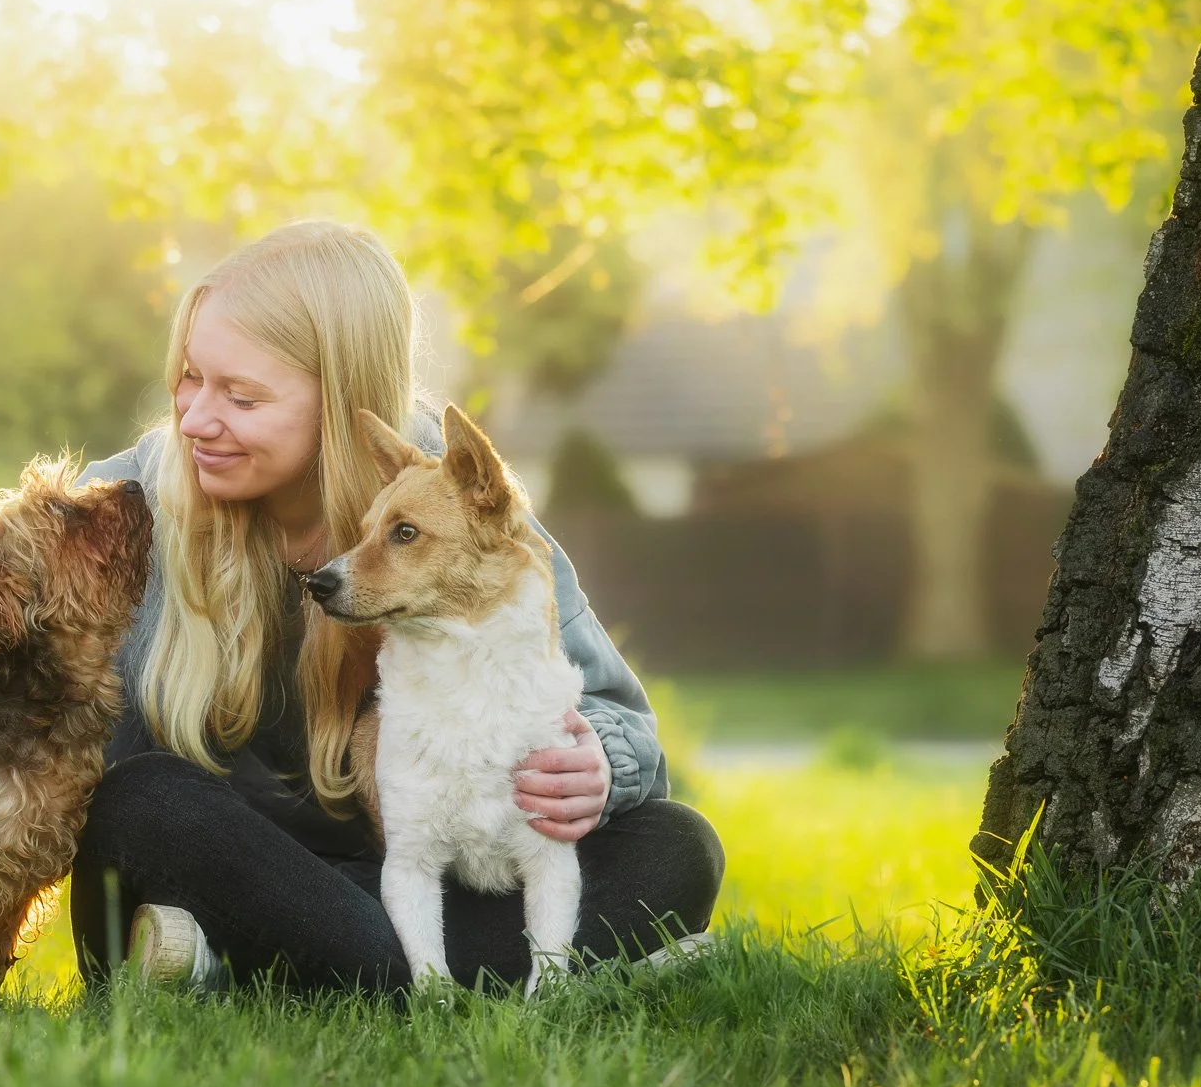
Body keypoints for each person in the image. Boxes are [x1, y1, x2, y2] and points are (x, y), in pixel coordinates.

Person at [71, 220, 724, 993]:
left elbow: (624, 728)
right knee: (145, 801)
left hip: (408, 877)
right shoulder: (120, 508)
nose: (195, 418)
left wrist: (595, 766)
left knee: (679, 845)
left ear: (344, 398)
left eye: (241, 396)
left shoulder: (450, 498)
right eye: (189, 377)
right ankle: (467, 973)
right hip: (222, 865)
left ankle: (262, 974)